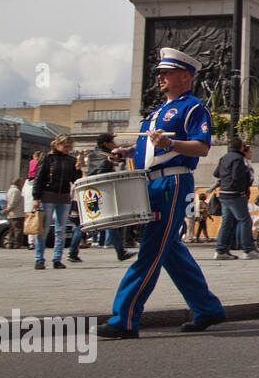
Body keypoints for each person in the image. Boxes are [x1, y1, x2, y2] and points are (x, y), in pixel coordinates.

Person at [96, 47, 227, 338]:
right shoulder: (156, 112)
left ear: (185, 76)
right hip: (152, 182)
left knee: (151, 250)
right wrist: (126, 152)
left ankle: (125, 318)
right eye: (159, 74)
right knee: (170, 251)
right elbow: (149, 149)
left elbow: (202, 147)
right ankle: (207, 308)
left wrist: (171, 145)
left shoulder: (192, 107)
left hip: (172, 183)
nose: (160, 78)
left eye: (166, 73)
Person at [31, 133, 83, 269]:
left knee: (61, 230)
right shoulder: (47, 159)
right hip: (47, 196)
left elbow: (75, 180)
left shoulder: (70, 160)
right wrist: (36, 197)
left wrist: (78, 169)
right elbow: (39, 178)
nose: (68, 149)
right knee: (44, 229)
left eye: (69, 147)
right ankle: (39, 259)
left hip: (64, 197)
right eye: (66, 146)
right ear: (58, 144)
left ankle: (57, 259)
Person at [84, 133, 135, 261]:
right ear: (106, 143)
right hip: (103, 189)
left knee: (88, 220)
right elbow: (104, 169)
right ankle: (120, 251)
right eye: (112, 142)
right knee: (109, 219)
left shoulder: (93, 154)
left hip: (91, 187)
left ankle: (73, 251)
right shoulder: (107, 155)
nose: (114, 144)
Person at [213, 137, 259, 260]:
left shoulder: (224, 157)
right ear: (241, 147)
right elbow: (237, 177)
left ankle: (221, 250)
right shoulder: (238, 159)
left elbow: (216, 173)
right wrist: (241, 190)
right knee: (245, 220)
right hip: (235, 194)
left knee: (227, 222)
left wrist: (225, 178)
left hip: (224, 193)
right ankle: (248, 249)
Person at [5, 177, 25, 250]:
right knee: (18, 230)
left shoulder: (10, 190)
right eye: (21, 183)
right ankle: (17, 244)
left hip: (11, 214)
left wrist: (8, 209)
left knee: (12, 230)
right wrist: (8, 209)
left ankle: (10, 244)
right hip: (17, 213)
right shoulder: (16, 191)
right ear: (19, 183)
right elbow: (14, 202)